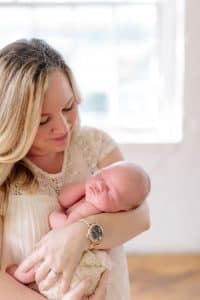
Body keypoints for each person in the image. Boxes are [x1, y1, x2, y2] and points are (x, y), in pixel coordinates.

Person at [0, 38, 150, 300]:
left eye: (68, 107)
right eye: (43, 121)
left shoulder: (94, 144)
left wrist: (79, 235)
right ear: (14, 122)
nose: (63, 127)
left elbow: (140, 217)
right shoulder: (5, 174)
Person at [6, 161, 150, 299]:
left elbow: (66, 228)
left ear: (123, 209)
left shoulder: (94, 209)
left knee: (39, 269)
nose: (100, 185)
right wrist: (85, 187)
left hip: (80, 262)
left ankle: (19, 275)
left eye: (110, 191)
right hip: (70, 255)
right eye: (101, 176)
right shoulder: (91, 198)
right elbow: (63, 198)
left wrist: (54, 217)